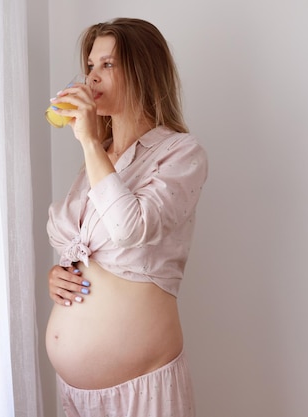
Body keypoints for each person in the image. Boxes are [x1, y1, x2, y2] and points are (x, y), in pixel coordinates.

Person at [45, 18, 208, 417]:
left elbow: (127, 227)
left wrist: (87, 141)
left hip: (142, 391)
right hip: (77, 394)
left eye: (108, 64)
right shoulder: (95, 161)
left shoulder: (180, 154)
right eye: (90, 65)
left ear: (143, 71)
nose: (91, 76)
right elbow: (85, 248)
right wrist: (60, 274)